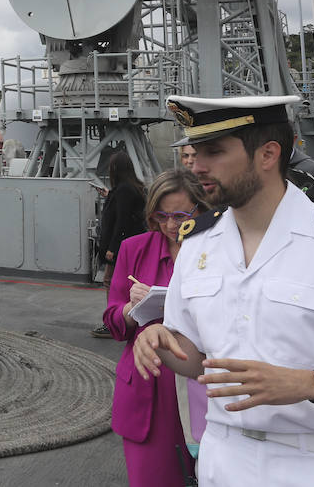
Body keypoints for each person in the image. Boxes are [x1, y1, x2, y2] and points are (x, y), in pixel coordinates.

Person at [134, 94, 314, 485]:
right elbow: (198, 361)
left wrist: (311, 385)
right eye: (194, 152)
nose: (198, 166)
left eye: (213, 152)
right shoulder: (196, 246)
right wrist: (162, 342)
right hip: (223, 463)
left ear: (268, 154)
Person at [105, 169, 208, 485]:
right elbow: (114, 324)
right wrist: (131, 308)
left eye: (180, 215)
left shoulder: (215, 249)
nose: (171, 225)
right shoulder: (134, 249)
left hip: (198, 380)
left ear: (201, 211)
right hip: (148, 386)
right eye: (162, 216)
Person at [92, 150, 148, 338]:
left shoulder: (123, 190)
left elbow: (122, 220)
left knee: (111, 282)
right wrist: (110, 195)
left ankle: (113, 322)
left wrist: (112, 248)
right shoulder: (131, 188)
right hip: (131, 244)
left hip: (121, 246)